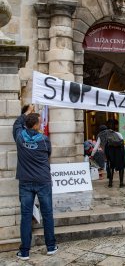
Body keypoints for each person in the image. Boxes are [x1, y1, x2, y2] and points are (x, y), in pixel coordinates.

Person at [13, 104, 57, 260]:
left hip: (25, 181)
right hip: (43, 180)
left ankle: (25, 251)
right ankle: (51, 246)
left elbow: (17, 125)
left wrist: (26, 112)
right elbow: (49, 153)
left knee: (25, 216)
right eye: (39, 121)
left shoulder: (19, 137)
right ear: (37, 125)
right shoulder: (44, 140)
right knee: (47, 213)